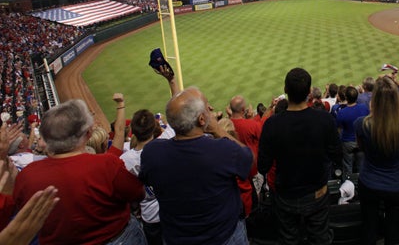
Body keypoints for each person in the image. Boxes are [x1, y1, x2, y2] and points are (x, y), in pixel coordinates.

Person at [12, 99, 146, 244]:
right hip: (116, 239)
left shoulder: (26, 175)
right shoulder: (106, 164)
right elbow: (137, 193)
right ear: (88, 133)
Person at [140, 86, 253, 245]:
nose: (211, 110)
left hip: (177, 238)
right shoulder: (222, 150)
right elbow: (248, 160)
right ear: (201, 119)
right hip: (224, 236)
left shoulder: (152, 153)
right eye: (207, 108)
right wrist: (217, 129)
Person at [257, 67, 341, 245]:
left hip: (286, 196)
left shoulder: (272, 124)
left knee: (289, 240)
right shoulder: (324, 119)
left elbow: (263, 166)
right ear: (309, 92)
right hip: (317, 193)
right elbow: (336, 155)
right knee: (320, 239)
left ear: (285, 90)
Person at [355, 75, 399, 245]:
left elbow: (362, 148)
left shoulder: (362, 124)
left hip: (369, 182)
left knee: (369, 229)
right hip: (396, 183)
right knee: (393, 232)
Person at [120, 109, 164, 245]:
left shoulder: (123, 160)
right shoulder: (165, 147)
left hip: (149, 216)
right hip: (170, 210)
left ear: (132, 129)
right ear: (153, 129)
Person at [335, 85, 369, 175]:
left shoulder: (341, 112)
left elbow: (339, 130)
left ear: (346, 97)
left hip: (347, 142)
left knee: (347, 166)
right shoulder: (364, 108)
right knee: (361, 165)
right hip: (361, 140)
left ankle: (348, 186)